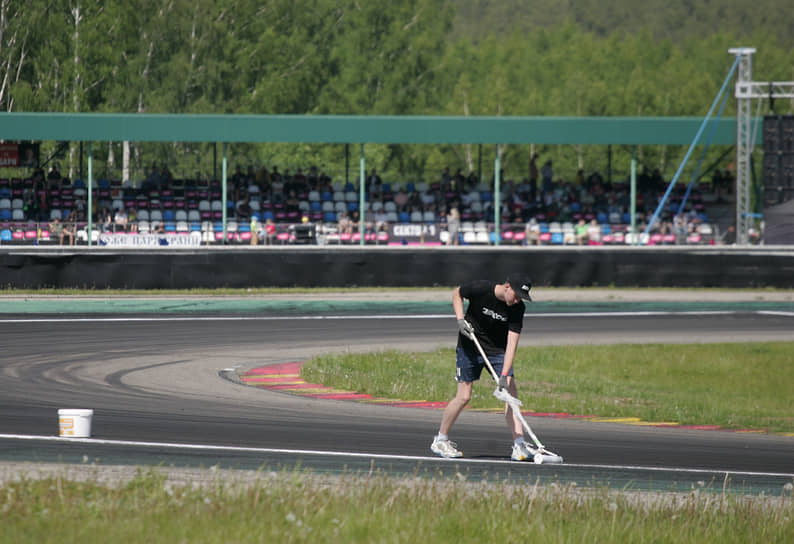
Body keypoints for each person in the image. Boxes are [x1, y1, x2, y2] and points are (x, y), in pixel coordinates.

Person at [431, 273, 533, 461]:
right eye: (516, 295)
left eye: (521, 298)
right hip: (469, 346)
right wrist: (460, 320)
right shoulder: (482, 288)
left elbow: (512, 345)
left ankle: (519, 445)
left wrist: (504, 375)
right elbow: (457, 293)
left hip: (497, 352)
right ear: (507, 286)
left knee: (510, 394)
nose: (517, 300)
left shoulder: (518, 309)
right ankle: (440, 439)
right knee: (464, 396)